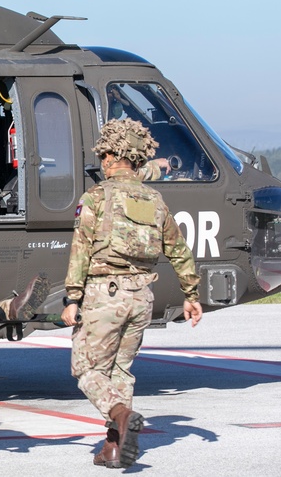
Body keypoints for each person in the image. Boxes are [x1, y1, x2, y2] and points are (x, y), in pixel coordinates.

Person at [61, 119, 202, 469]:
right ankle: (114, 447)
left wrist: (73, 297)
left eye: (103, 155)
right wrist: (191, 294)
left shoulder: (96, 197)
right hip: (141, 296)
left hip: (104, 293)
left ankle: (120, 414)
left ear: (110, 155)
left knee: (87, 369)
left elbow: (81, 249)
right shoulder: (154, 199)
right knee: (120, 372)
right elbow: (179, 250)